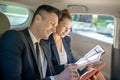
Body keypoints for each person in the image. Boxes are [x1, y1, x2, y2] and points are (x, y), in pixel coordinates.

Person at [0, 5, 79, 80]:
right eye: (52, 24)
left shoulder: (44, 44)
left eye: (56, 26)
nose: (54, 30)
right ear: (38, 19)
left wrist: (65, 67)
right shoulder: (13, 38)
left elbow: (49, 71)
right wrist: (57, 78)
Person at [48, 9, 106, 80]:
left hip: (72, 72)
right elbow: (48, 69)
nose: (67, 31)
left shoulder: (66, 39)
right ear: (57, 23)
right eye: (64, 26)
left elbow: (71, 59)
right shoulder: (47, 41)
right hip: (61, 75)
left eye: (69, 28)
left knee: (95, 72)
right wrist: (65, 66)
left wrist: (84, 64)